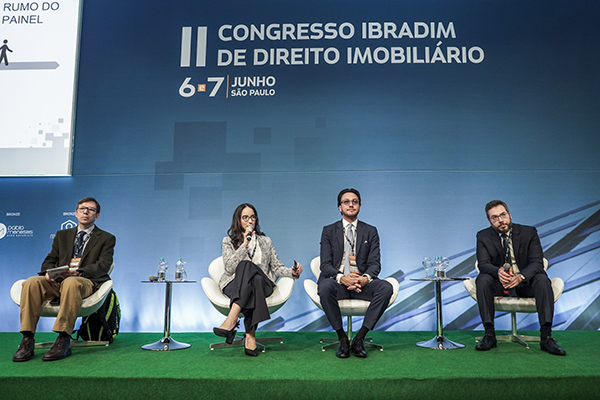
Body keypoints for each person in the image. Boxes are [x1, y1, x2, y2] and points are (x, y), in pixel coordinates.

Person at [12, 197, 116, 362]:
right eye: (82, 209)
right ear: (76, 213)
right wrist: (49, 272)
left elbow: (103, 265)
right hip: (58, 281)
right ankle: (27, 338)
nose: (86, 212)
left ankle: (63, 338)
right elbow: (50, 259)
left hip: (84, 281)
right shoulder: (62, 235)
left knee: (71, 282)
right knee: (32, 282)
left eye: (90, 210)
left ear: (96, 216)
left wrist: (77, 272)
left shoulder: (106, 238)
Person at [475, 200, 565, 355]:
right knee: (482, 279)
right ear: (489, 221)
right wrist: (498, 272)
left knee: (542, 280)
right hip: (500, 285)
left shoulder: (529, 232)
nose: (500, 220)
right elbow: (483, 264)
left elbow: (537, 262)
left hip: (525, 284)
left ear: (509, 215)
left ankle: (546, 337)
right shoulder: (483, 236)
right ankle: (489, 334)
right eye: (495, 218)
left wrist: (521, 276)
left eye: (503, 215)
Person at [213, 203, 302, 357]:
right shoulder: (228, 241)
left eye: (252, 217)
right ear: (238, 220)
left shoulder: (265, 241)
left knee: (255, 277)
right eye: (245, 217)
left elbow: (276, 267)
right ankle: (250, 335)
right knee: (251, 276)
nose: (250, 221)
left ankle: (232, 318)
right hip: (234, 284)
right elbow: (229, 267)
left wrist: (292, 272)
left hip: (263, 283)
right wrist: (244, 244)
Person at [318, 188, 393, 358]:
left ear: (359, 206)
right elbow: (325, 265)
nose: (351, 204)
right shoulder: (328, 231)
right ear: (340, 207)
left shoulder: (371, 231)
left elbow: (375, 264)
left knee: (386, 288)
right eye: (346, 202)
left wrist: (364, 279)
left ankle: (360, 338)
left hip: (362, 284)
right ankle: (342, 338)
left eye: (355, 202)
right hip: (338, 283)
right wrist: (342, 278)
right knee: (325, 287)